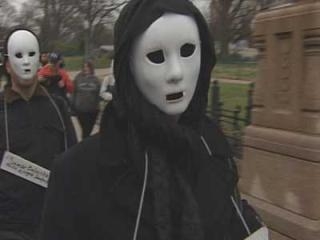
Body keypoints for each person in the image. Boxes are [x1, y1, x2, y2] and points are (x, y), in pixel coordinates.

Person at [41, 0, 268, 239]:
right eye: (156, 56)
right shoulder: (76, 173)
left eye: (188, 51)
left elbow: (228, 215)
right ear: (128, 65)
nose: (176, 73)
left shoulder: (213, 148)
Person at [0, 28, 77, 240]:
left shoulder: (57, 107)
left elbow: (73, 157)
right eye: (18, 55)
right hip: (10, 226)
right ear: (7, 64)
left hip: (52, 220)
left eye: (31, 54)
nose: (25, 62)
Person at [72, 60, 101, 138]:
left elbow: (98, 94)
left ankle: (84, 144)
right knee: (85, 130)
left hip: (92, 109)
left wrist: (98, 107)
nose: (86, 68)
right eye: (84, 67)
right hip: (80, 109)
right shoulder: (78, 78)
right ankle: (84, 146)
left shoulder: (96, 80)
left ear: (91, 68)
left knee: (88, 130)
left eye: (88, 67)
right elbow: (73, 92)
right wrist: (72, 106)